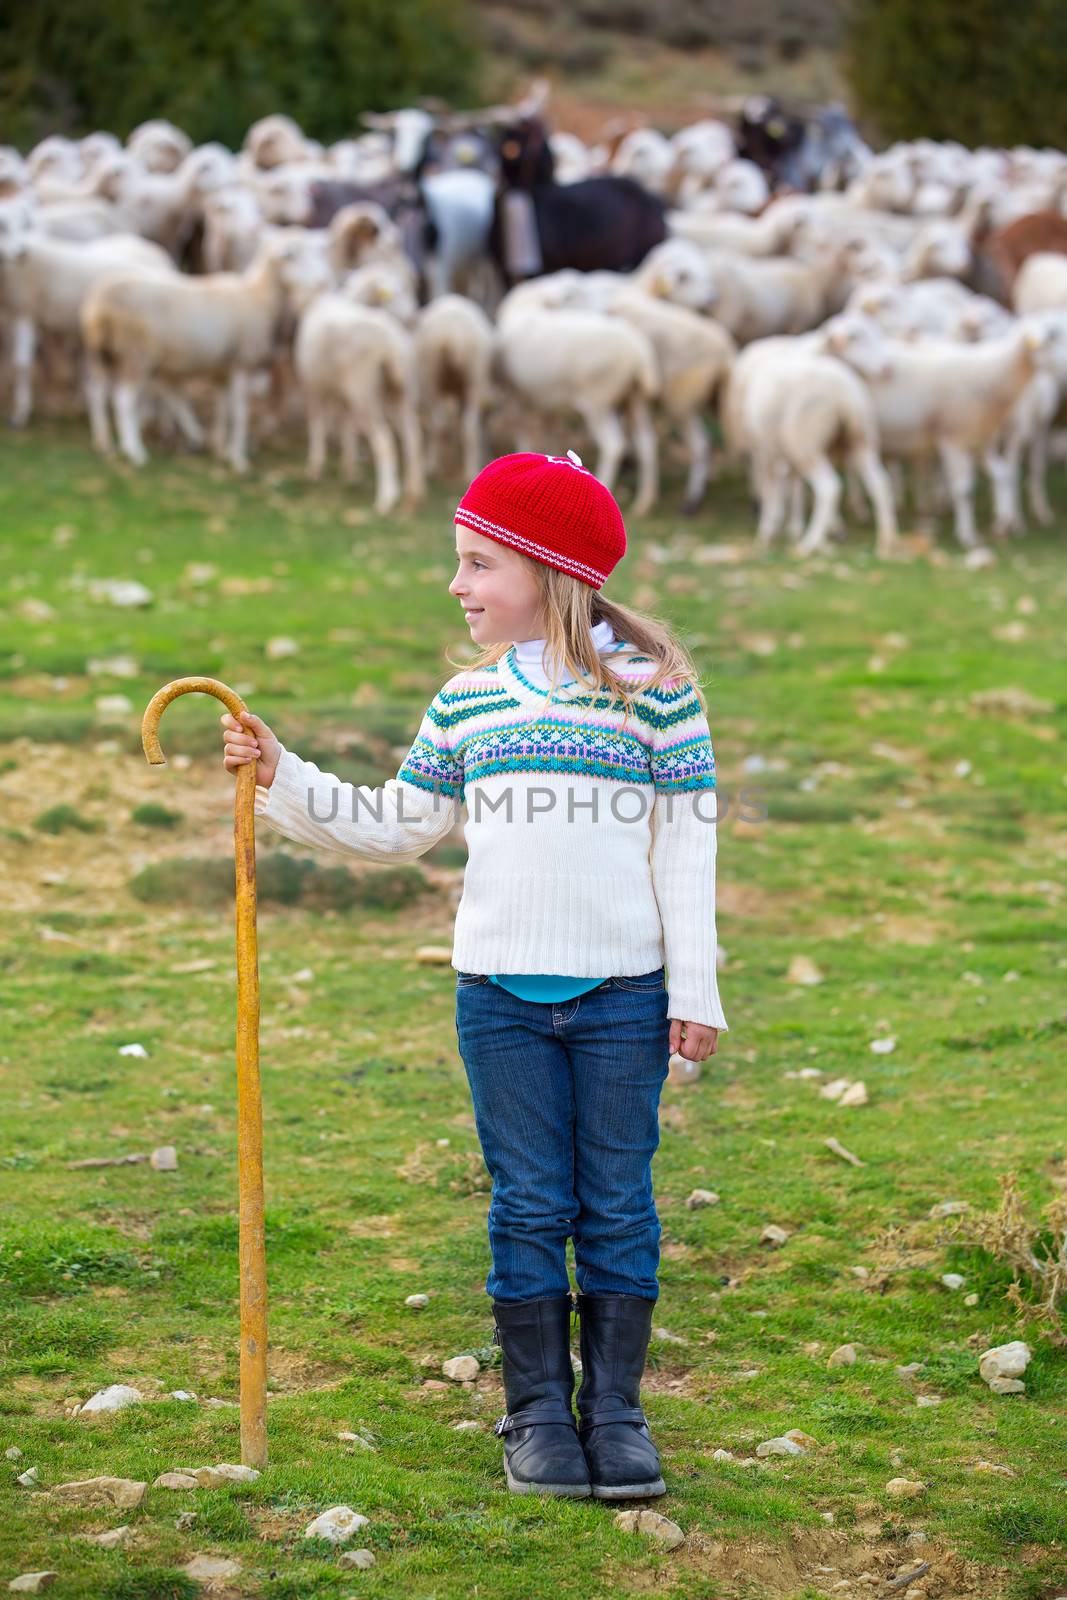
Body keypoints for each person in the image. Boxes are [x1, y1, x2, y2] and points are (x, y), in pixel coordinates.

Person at [220, 448, 728, 1503]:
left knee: (618, 1202)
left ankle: (617, 1413)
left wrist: (693, 989)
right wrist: (285, 774)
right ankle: (538, 1413)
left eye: (477, 563)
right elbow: (398, 824)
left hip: (624, 993)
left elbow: (685, 845)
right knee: (530, 1201)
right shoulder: (467, 703)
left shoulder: (656, 697)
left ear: (549, 571)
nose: (458, 585)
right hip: (497, 999)